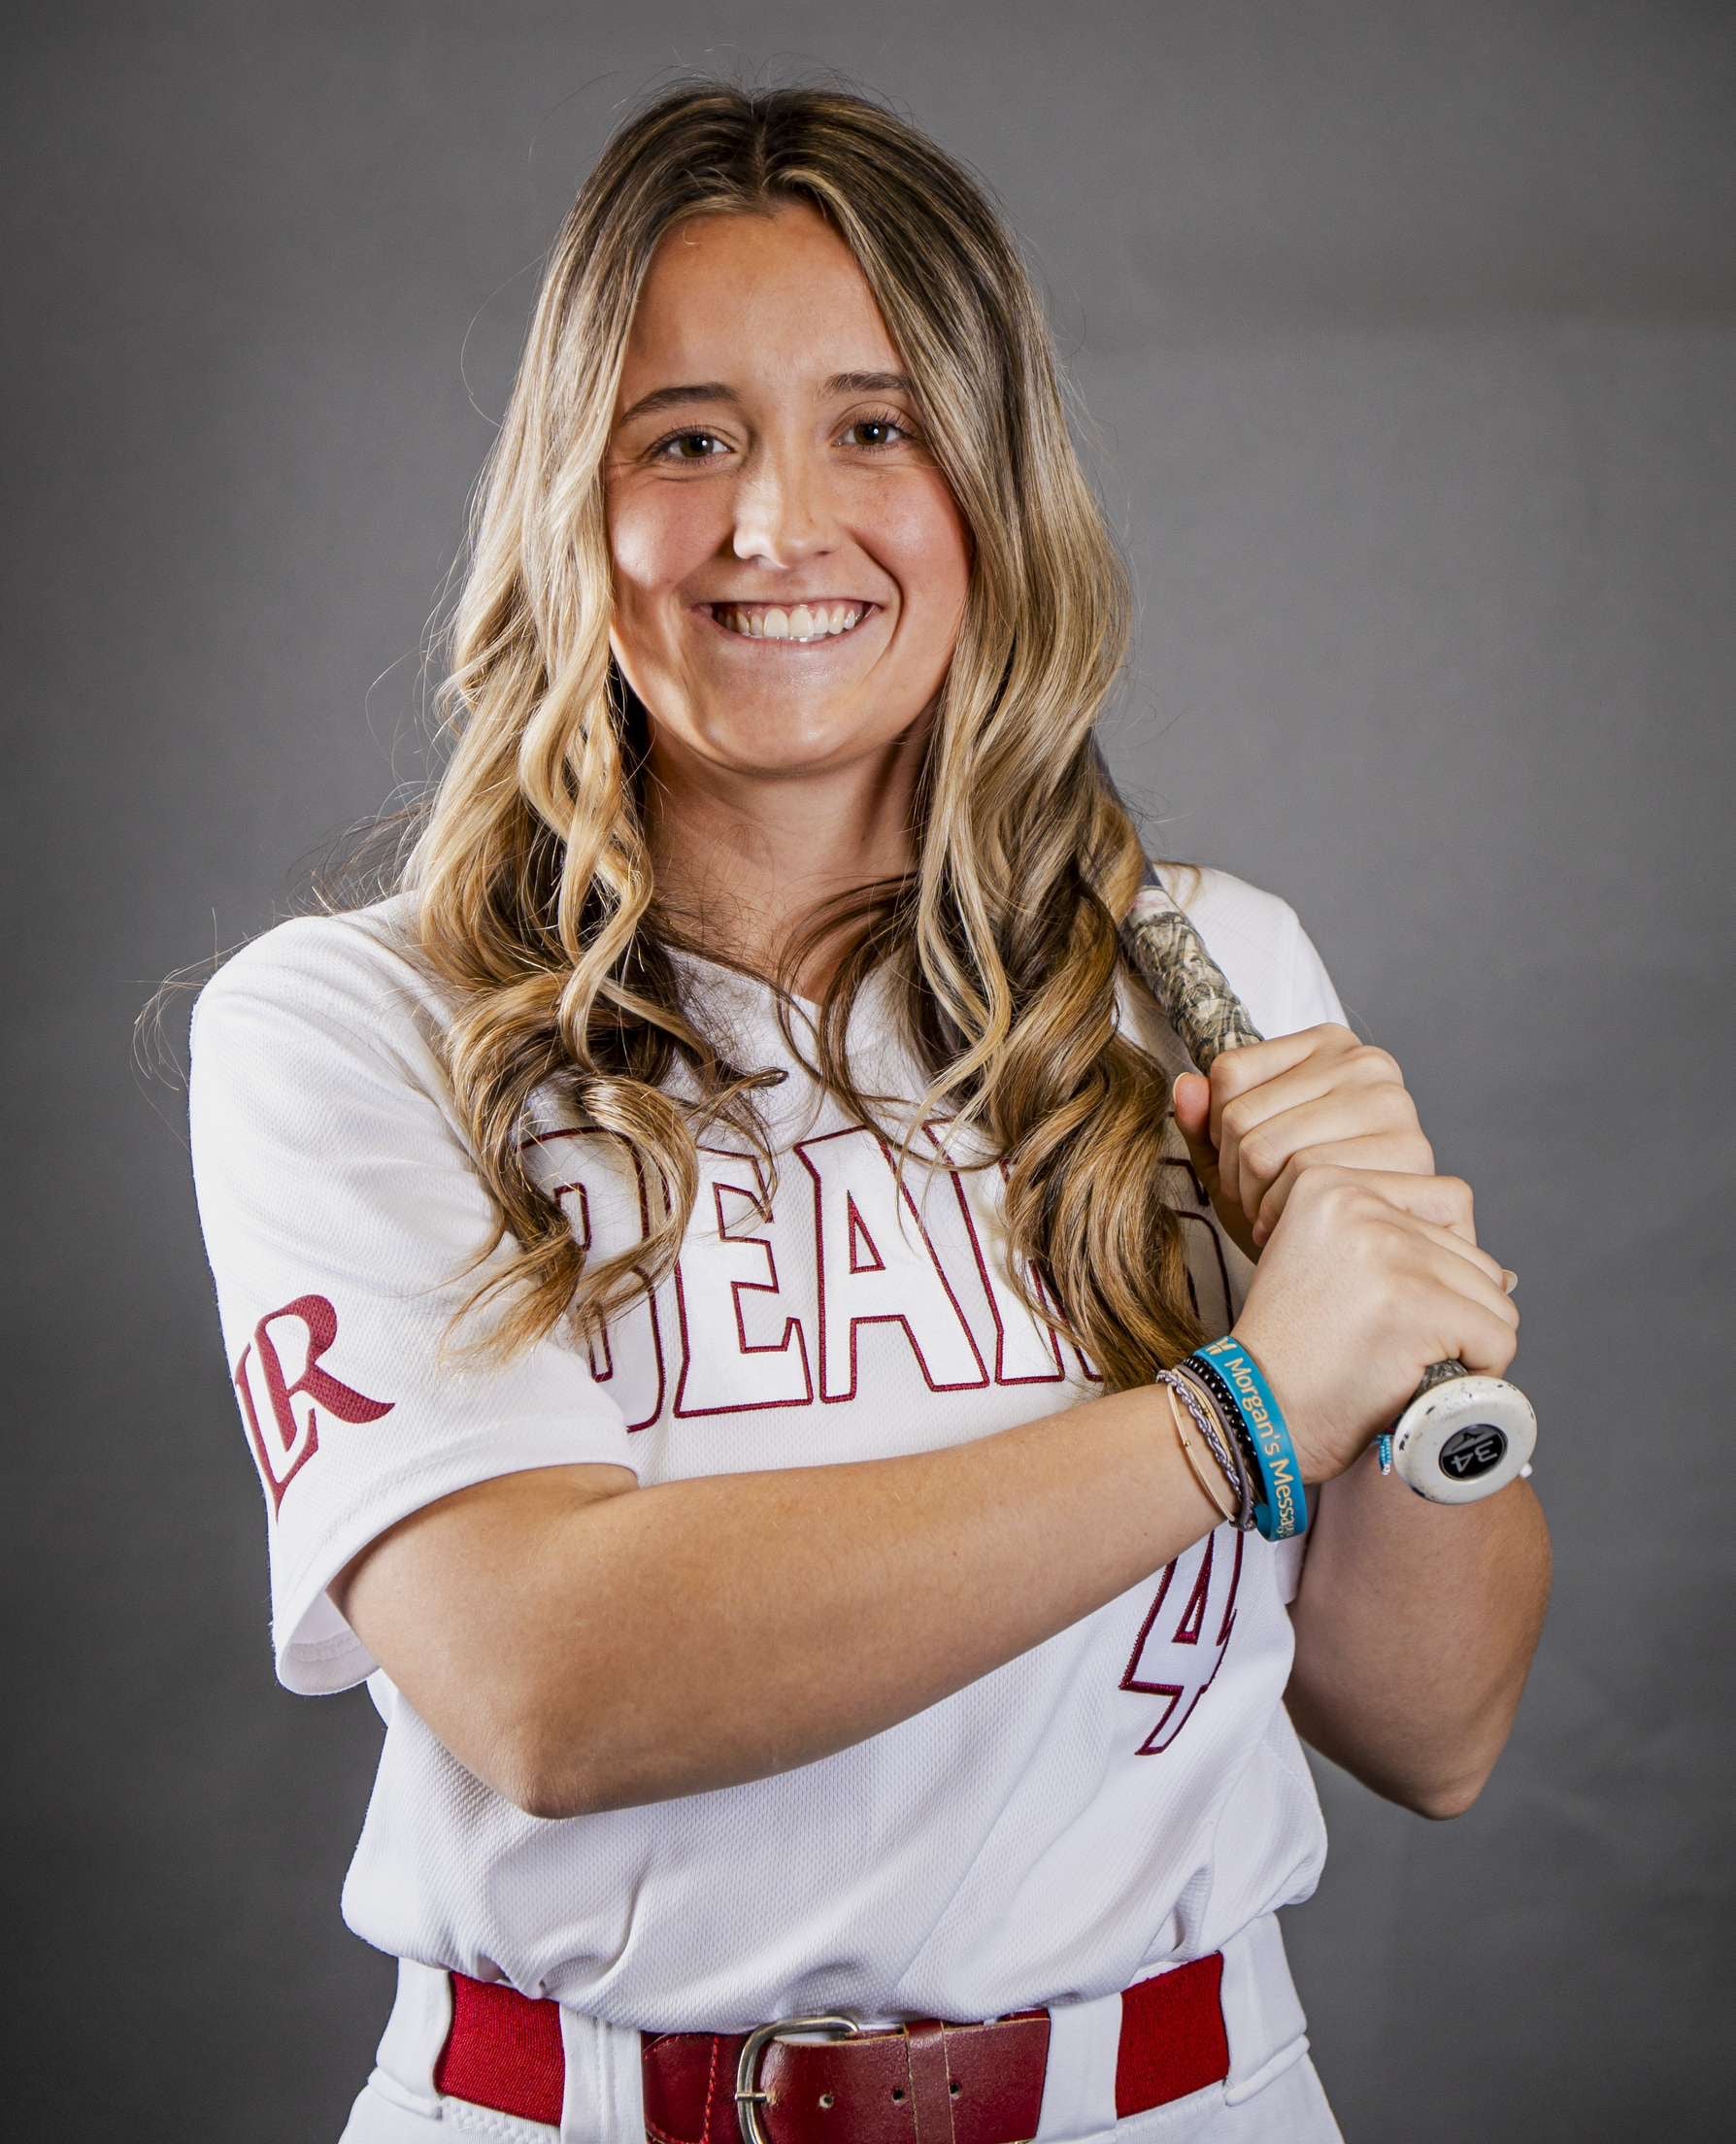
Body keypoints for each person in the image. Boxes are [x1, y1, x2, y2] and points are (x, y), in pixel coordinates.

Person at [184, 79, 1552, 2144]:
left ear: (994, 486)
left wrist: (1418, 1353)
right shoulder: (355, 1027)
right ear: (577, 497)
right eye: (687, 438)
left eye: (877, 426)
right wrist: (1252, 1410)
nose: (774, 529)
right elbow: (548, 1686)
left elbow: (1435, 1730)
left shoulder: (1218, 975)